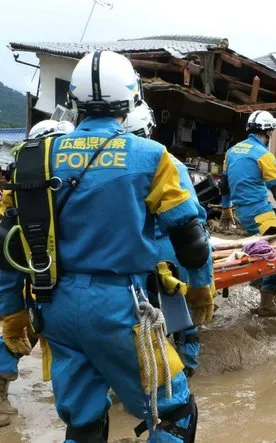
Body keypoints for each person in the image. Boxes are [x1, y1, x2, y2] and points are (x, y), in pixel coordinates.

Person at [0, 51, 213, 442]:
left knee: (83, 420)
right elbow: (190, 240)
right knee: (174, 411)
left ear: (73, 101)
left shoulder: (33, 157)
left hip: (55, 308)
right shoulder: (152, 157)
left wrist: (12, 315)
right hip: (120, 307)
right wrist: (200, 290)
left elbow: (8, 250)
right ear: (133, 100)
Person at [0, 119, 75, 428]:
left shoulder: (23, 192)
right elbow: (9, 266)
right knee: (22, 331)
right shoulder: (21, 204)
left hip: (54, 285)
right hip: (44, 286)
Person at [124, 102, 204, 377]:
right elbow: (190, 221)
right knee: (181, 315)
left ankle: (148, 374)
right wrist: (202, 283)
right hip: (168, 250)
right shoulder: (168, 162)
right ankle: (186, 371)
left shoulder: (108, 165)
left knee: (138, 319)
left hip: (129, 254)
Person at [220, 110, 276, 317]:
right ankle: (267, 303)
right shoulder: (263, 154)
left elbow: (224, 184)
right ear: (268, 132)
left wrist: (225, 209)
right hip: (260, 212)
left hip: (243, 212)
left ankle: (257, 284)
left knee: (259, 247)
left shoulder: (232, 151)